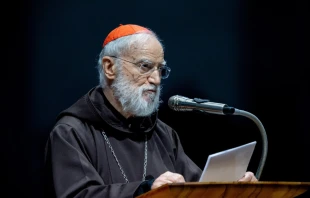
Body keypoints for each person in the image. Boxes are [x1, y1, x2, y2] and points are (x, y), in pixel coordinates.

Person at [44, 24, 257, 198]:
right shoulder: (71, 132)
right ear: (110, 68)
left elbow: (197, 189)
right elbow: (78, 195)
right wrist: (145, 189)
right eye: (145, 66)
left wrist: (233, 189)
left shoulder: (163, 134)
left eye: (160, 69)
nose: (155, 79)